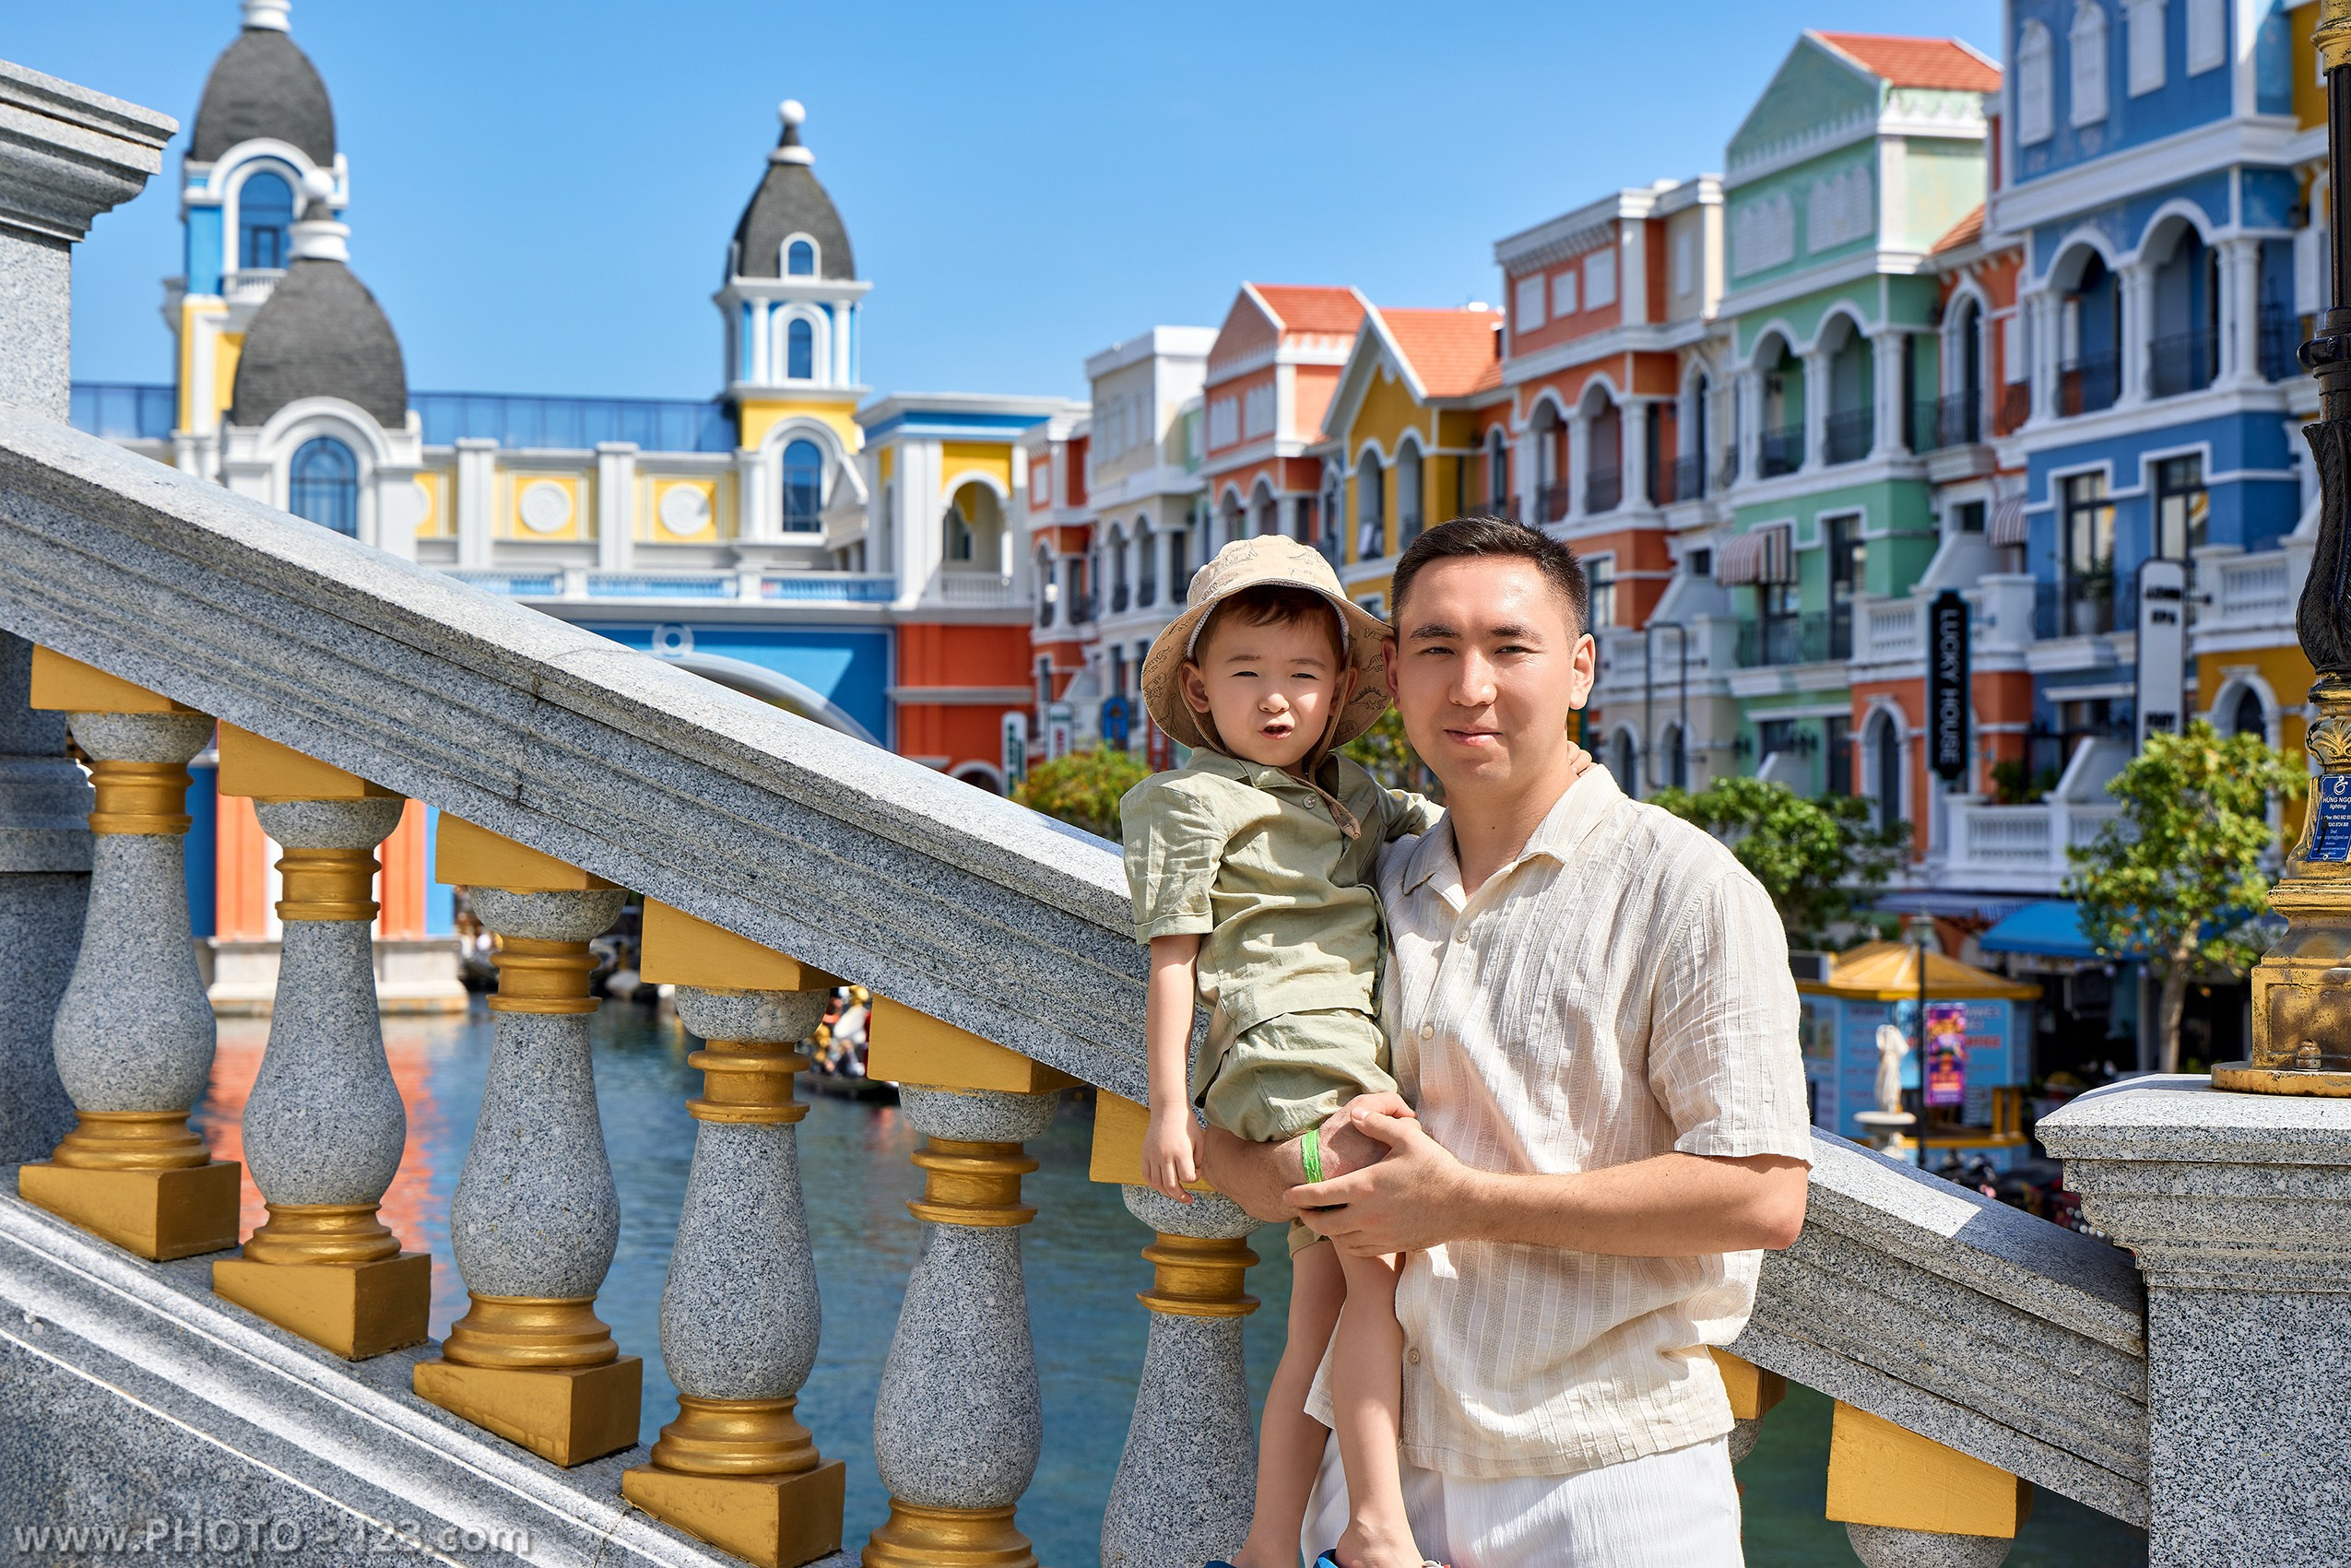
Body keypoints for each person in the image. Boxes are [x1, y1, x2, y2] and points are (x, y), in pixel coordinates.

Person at [1199, 516, 1813, 1568]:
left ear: (1580, 668)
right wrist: (1299, 1169)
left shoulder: (1686, 888)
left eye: (1510, 648)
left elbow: (1762, 1193)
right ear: (1392, 672)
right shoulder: (1361, 878)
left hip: (1605, 1476)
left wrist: (1464, 1203)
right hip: (1369, 1474)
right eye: (1436, 647)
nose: (1470, 685)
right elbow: (1211, 1134)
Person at [1121, 535, 1474, 1568]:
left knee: (1320, 1320)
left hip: (1342, 1055)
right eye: (1247, 675)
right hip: (1289, 1058)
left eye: (1302, 677)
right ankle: (1373, 1525)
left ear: (1340, 688)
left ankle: (1270, 1543)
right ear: (1199, 686)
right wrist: (1166, 1107)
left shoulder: (1352, 796)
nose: (1276, 701)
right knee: (1384, 1279)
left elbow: (1449, 826)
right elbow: (1173, 960)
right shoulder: (1193, 804)